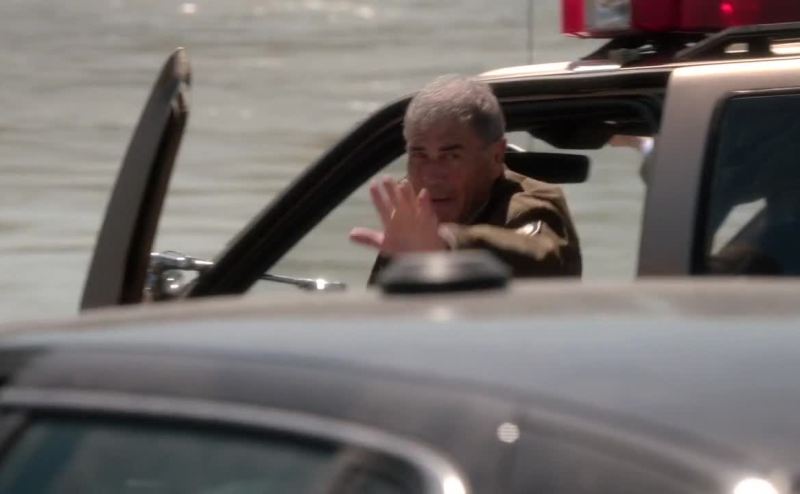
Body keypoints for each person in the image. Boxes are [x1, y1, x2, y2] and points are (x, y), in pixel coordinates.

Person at [349, 75, 582, 282]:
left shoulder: (530, 204)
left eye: (451, 156)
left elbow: (544, 260)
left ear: (496, 156)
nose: (431, 176)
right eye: (419, 155)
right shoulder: (410, 206)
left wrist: (447, 244)